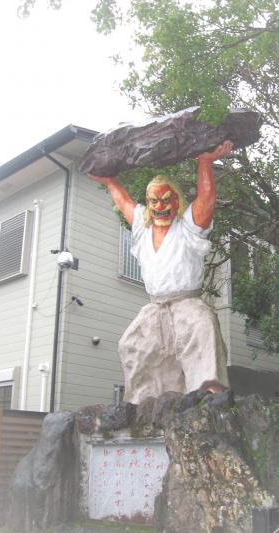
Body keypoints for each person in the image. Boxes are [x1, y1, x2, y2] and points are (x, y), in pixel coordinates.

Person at [89, 141, 233, 404]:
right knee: (131, 345)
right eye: (154, 200)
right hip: (155, 308)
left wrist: (204, 162)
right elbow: (124, 203)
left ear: (177, 201)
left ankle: (208, 397)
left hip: (188, 303)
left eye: (167, 199)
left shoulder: (188, 228)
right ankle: (144, 403)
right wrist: (110, 182)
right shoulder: (143, 229)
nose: (159, 206)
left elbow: (206, 200)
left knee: (203, 330)